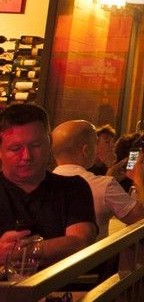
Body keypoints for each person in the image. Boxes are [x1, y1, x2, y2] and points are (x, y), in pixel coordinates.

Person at [0, 104, 96, 264]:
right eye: (16, 148)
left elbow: (81, 241)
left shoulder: (73, 188)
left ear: (49, 143)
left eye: (36, 145)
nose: (27, 156)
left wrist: (20, 251)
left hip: (61, 287)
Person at [51, 120, 144, 240]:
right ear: (85, 150)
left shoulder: (40, 184)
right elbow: (143, 219)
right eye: (95, 144)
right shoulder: (103, 185)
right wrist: (139, 177)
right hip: (94, 257)